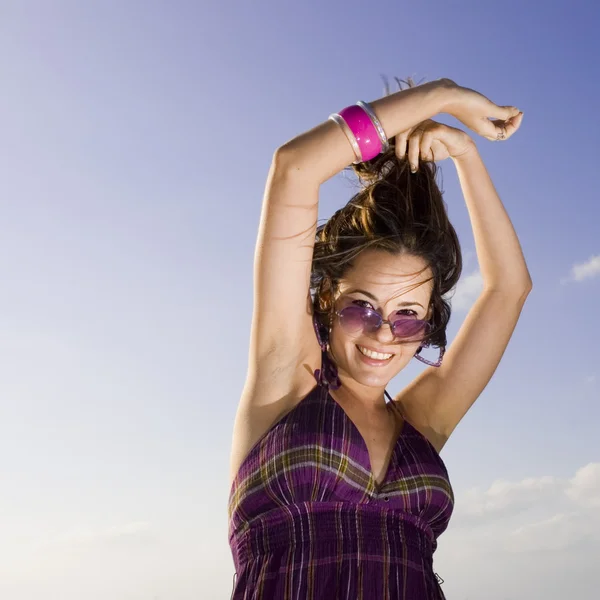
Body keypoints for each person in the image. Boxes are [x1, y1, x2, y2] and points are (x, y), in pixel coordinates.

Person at [227, 77, 531, 599]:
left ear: (428, 323)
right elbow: (295, 168)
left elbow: (510, 288)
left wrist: (465, 156)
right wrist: (442, 96)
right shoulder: (287, 380)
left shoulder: (422, 420)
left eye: (409, 315)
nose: (384, 333)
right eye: (361, 307)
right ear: (326, 300)